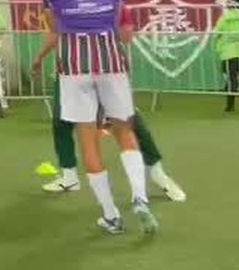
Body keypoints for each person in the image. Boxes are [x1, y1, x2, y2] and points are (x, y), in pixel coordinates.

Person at [30, 0, 157, 235]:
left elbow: (55, 23)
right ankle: (140, 197)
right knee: (124, 130)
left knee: (87, 137)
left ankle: (111, 215)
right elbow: (118, 14)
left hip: (74, 62)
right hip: (110, 56)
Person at [40, 75, 187, 202]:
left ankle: (158, 174)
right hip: (69, 70)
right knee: (61, 119)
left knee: (129, 119)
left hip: (104, 67)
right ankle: (69, 176)